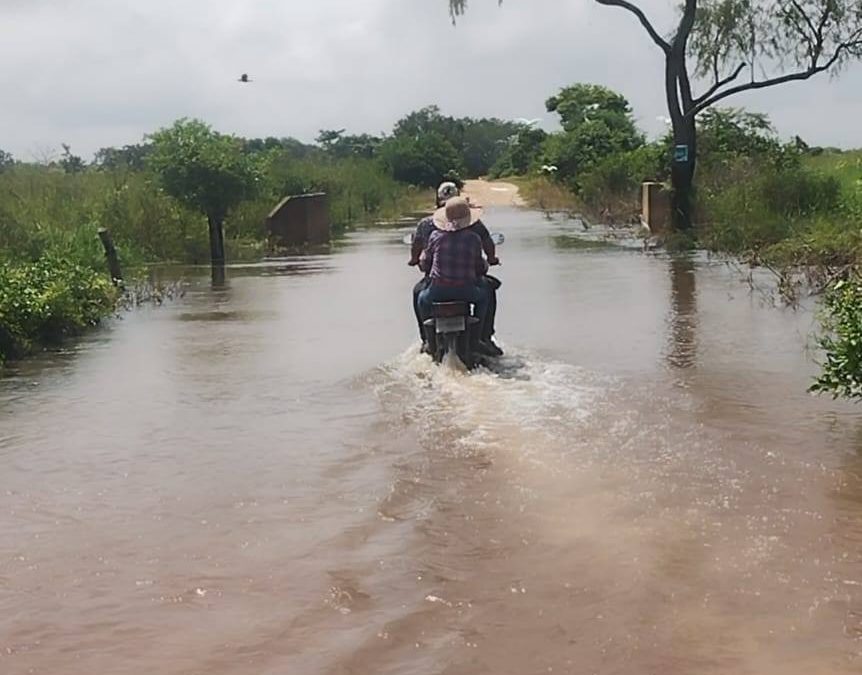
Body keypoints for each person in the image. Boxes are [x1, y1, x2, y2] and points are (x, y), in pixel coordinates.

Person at [409, 183, 503, 355]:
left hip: (437, 289)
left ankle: (427, 341)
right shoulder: (474, 235)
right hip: (468, 288)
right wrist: (489, 262)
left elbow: (421, 255)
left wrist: (417, 261)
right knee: (486, 295)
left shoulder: (432, 232)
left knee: (419, 296)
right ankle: (482, 337)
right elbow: (481, 259)